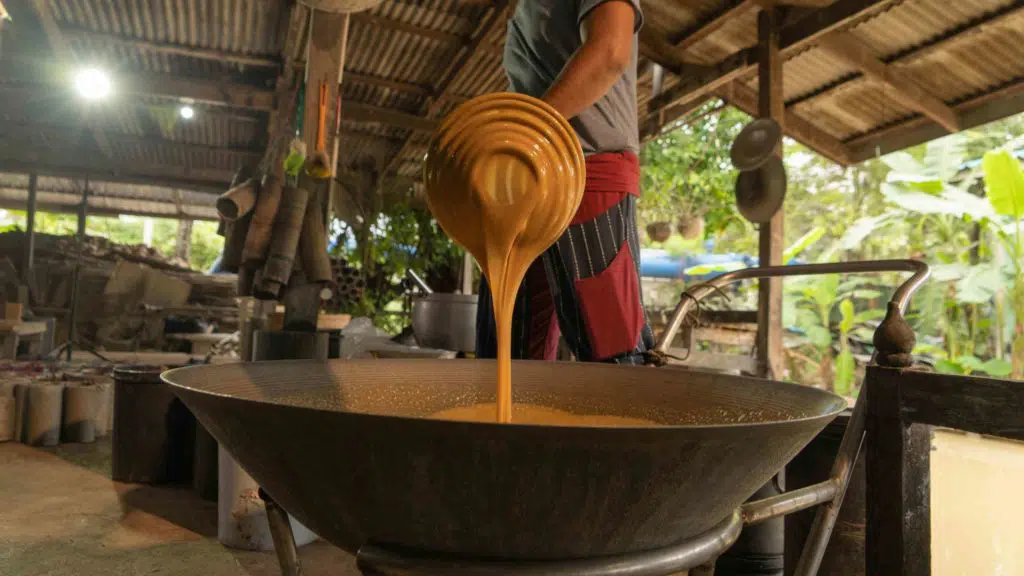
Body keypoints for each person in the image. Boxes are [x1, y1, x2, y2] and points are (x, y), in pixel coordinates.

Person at [476, 0, 655, 365]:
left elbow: (609, 52)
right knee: (507, 353)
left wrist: (530, 132)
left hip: (586, 170)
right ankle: (507, 423)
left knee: (613, 354)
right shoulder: (526, 11)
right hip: (529, 179)